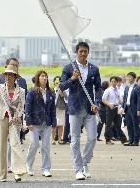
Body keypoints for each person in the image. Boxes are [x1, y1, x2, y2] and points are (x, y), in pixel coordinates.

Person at [59, 42, 102, 180]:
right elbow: (62, 86)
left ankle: (84, 163)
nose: (83, 54)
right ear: (76, 52)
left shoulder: (94, 69)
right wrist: (72, 78)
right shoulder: (69, 68)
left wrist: (97, 103)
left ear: (88, 52)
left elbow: (99, 88)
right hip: (74, 108)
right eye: (81, 51)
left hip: (90, 109)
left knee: (92, 137)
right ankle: (78, 169)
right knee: (75, 140)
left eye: (85, 51)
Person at [0, 65, 26, 182]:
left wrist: (17, 116)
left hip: (14, 121)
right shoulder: (1, 88)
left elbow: (21, 106)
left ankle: (17, 172)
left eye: (10, 75)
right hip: (0, 118)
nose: (8, 77)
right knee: (1, 147)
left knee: (15, 145)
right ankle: (2, 175)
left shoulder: (21, 91)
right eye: (6, 75)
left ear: (15, 77)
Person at [25, 70, 56, 177]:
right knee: (34, 144)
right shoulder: (32, 91)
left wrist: (54, 124)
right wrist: (28, 122)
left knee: (46, 146)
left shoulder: (50, 92)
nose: (44, 78)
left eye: (46, 76)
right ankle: (28, 165)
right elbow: (27, 108)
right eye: (42, 76)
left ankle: (46, 169)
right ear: (38, 78)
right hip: (34, 122)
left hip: (47, 123)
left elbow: (53, 109)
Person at [102, 76, 127, 145]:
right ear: (110, 82)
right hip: (110, 108)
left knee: (118, 124)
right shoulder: (108, 90)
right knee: (108, 124)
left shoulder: (118, 90)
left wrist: (121, 104)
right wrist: (109, 104)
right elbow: (103, 99)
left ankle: (123, 139)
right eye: (112, 81)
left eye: (114, 81)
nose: (113, 83)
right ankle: (108, 139)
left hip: (117, 108)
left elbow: (119, 99)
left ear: (117, 82)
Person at [122, 72, 140, 146]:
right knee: (129, 125)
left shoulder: (137, 87)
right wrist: (123, 108)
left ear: (134, 78)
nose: (128, 78)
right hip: (127, 108)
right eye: (128, 77)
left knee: (135, 125)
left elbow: (139, 99)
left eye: (130, 77)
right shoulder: (126, 87)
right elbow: (124, 99)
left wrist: (138, 110)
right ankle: (131, 140)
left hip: (134, 109)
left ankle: (136, 141)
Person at [52, 76, 67, 144]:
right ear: (54, 82)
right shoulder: (51, 90)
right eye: (56, 82)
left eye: (59, 82)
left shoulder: (63, 90)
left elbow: (66, 98)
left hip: (61, 109)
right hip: (53, 109)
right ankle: (52, 139)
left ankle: (60, 139)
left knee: (61, 124)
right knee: (53, 125)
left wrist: (60, 92)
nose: (57, 84)